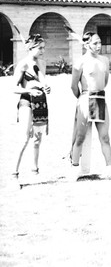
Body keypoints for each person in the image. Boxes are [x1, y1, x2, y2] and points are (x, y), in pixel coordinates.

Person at [70, 32, 111, 180]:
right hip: (85, 98)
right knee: (80, 137)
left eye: (100, 42)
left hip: (100, 98)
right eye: (95, 43)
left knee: (105, 137)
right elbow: (73, 86)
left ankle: (110, 169)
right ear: (86, 44)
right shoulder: (80, 62)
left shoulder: (105, 60)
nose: (99, 46)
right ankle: (74, 169)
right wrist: (82, 98)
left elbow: (105, 81)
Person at [12, 34, 50, 184]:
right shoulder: (23, 64)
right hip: (26, 102)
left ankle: (35, 170)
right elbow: (13, 88)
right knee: (24, 138)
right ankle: (14, 174)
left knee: (37, 139)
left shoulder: (42, 63)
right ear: (31, 47)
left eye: (43, 48)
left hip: (41, 102)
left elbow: (42, 82)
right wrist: (29, 91)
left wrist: (46, 88)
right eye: (40, 48)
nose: (42, 51)